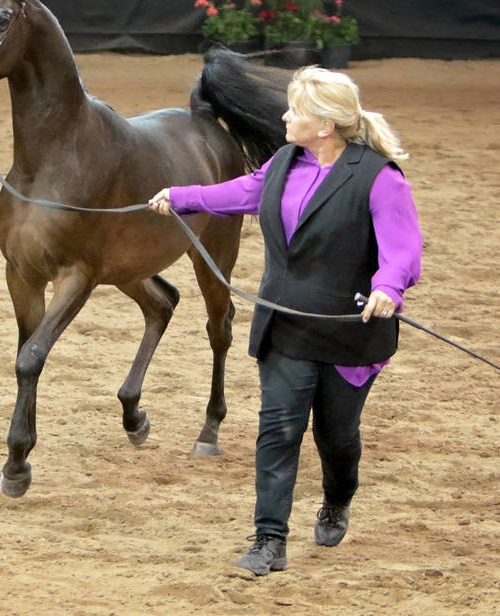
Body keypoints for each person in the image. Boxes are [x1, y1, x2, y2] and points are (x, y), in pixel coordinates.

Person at [148, 65, 421, 576]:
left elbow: (402, 248)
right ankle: (269, 539)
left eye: (296, 111)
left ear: (326, 125)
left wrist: (388, 287)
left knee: (336, 436)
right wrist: (182, 197)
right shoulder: (283, 164)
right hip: (286, 325)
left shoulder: (378, 178)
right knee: (278, 430)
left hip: (349, 331)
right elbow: (240, 193)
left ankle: (337, 498)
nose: (285, 117)